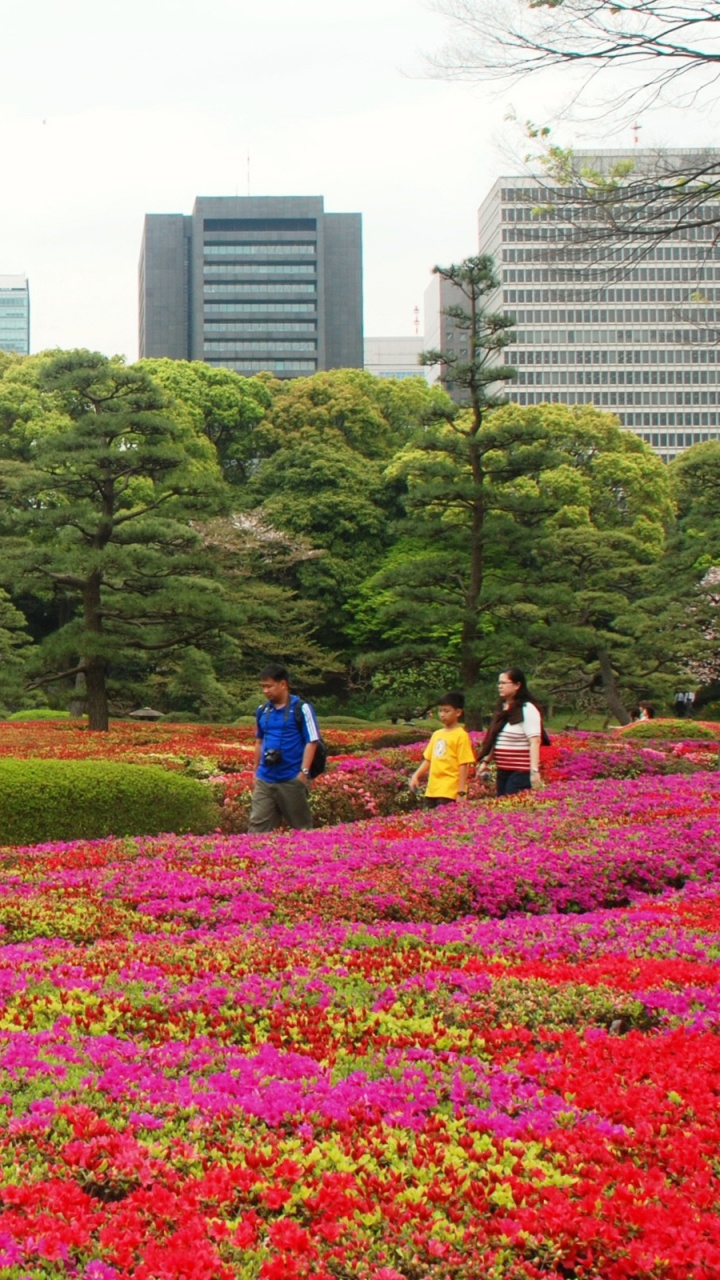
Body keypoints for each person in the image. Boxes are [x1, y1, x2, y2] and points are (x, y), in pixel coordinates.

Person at [248, 663, 321, 833]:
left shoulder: (301, 708)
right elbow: (259, 742)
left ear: (283, 684)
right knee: (257, 828)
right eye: (263, 687)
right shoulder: (262, 710)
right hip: (265, 778)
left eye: (270, 686)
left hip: (291, 778)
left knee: (301, 828)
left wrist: (303, 773)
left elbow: (312, 741)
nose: (266, 691)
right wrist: (255, 771)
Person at [477, 668, 544, 797]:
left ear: (517, 685)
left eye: (503, 683)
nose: (500, 686)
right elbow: (497, 739)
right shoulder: (502, 708)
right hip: (503, 770)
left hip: (520, 772)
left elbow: (535, 741)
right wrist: (486, 761)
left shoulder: (527, 709)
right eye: (499, 683)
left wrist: (534, 771)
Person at [409, 691, 476, 807]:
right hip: (432, 789)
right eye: (440, 711)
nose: (442, 715)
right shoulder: (437, 734)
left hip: (449, 791)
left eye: (446, 711)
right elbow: (428, 760)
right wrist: (416, 775)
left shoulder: (461, 735)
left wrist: (461, 791)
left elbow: (463, 764)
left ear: (458, 712)